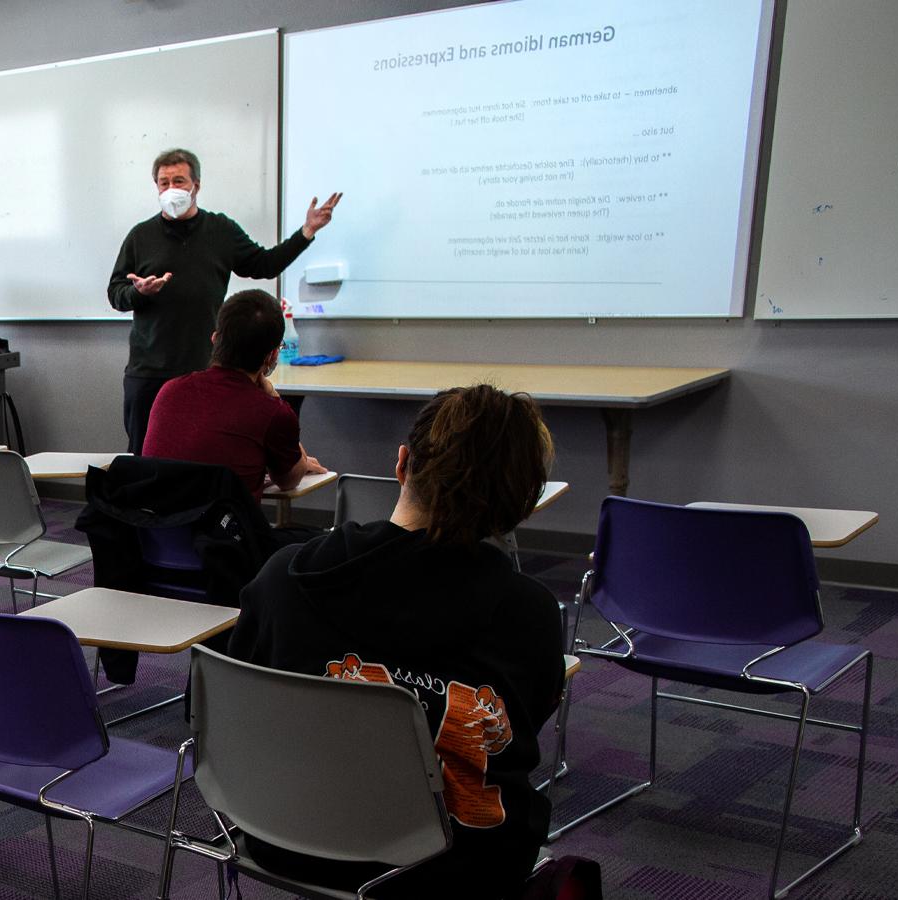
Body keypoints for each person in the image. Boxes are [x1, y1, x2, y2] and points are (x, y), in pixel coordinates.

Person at [224, 385, 566, 898]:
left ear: (402, 463)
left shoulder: (282, 578)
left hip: (284, 836)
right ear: (522, 505)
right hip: (450, 866)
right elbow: (522, 730)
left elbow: (231, 710)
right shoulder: (530, 615)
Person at [107, 147, 341, 454]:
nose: (170, 189)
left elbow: (265, 264)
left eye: (178, 180)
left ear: (196, 186)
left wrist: (307, 231)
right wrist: (140, 292)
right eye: (163, 183)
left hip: (204, 369)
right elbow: (116, 293)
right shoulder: (141, 236)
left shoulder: (220, 230)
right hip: (149, 371)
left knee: (201, 452)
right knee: (144, 453)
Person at [140, 289, 327, 499]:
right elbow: (288, 480)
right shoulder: (271, 412)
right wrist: (274, 397)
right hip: (222, 530)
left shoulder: (169, 391)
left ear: (215, 339)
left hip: (154, 528)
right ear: (272, 354)